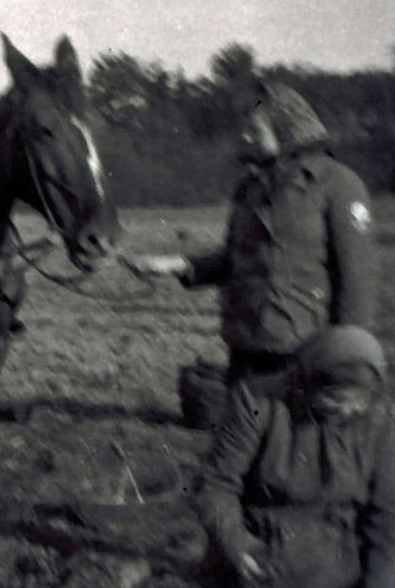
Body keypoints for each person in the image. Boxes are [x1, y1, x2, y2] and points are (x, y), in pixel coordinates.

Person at [128, 83, 378, 414]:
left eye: (254, 129)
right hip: (247, 345)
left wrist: (347, 364)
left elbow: (357, 278)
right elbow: (235, 260)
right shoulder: (249, 189)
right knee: (244, 444)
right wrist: (176, 265)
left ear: (287, 129)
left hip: (305, 349)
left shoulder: (339, 184)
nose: (244, 137)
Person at [195, 325, 395, 588]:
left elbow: (389, 513)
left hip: (336, 565)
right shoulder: (257, 402)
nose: (345, 410)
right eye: (334, 399)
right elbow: (215, 485)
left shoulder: (376, 420)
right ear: (307, 382)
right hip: (260, 555)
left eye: (356, 403)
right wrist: (237, 545)